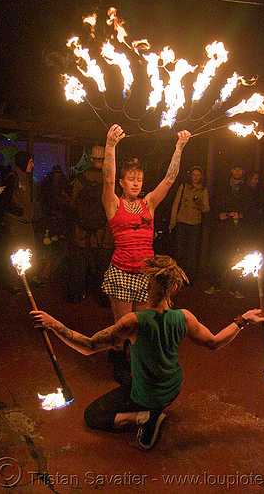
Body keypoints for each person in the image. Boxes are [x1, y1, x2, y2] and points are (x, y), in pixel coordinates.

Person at [30, 255, 264, 450]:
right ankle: (151, 407)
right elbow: (215, 342)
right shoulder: (184, 317)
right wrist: (243, 319)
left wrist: (53, 324)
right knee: (124, 377)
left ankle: (145, 417)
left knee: (92, 416)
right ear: (174, 288)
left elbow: (88, 346)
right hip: (172, 388)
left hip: (146, 396)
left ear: (146, 285)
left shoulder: (134, 321)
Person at [101, 124, 191, 384]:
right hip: (121, 272)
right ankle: (117, 358)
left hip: (145, 274)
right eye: (131, 178)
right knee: (123, 324)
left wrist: (179, 147)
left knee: (140, 325)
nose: (136, 182)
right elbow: (107, 178)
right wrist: (110, 144)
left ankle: (132, 360)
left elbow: (170, 180)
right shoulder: (113, 203)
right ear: (122, 181)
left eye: (139, 178)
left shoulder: (148, 202)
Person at [64, 146, 114, 304]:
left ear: (91, 159)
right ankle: (105, 299)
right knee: (103, 268)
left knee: (79, 266)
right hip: (102, 233)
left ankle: (75, 296)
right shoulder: (109, 180)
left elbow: (73, 204)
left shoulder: (80, 179)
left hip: (81, 232)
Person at [204, 165, 250, 298]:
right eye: (235, 169)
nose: (237, 171)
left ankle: (235, 287)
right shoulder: (223, 187)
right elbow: (215, 205)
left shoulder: (247, 190)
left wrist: (240, 215)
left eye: (240, 169)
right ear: (231, 170)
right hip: (223, 228)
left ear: (243, 171)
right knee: (218, 256)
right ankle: (215, 284)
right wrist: (220, 214)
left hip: (238, 230)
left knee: (237, 257)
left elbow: (252, 211)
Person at [1, 151, 42, 293]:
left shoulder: (25, 178)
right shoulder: (13, 178)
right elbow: (4, 199)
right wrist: (16, 210)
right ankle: (13, 282)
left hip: (26, 222)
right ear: (23, 162)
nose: (33, 165)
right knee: (15, 252)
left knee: (30, 249)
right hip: (15, 222)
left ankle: (29, 277)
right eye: (30, 162)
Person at [168, 166, 210, 283]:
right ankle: (178, 276)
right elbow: (176, 204)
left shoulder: (203, 190)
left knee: (192, 252)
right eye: (194, 175)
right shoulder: (183, 187)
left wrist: (200, 203)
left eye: (198, 175)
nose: (196, 178)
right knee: (180, 250)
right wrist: (172, 221)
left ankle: (189, 277)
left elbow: (206, 208)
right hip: (182, 221)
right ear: (190, 176)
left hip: (195, 223)